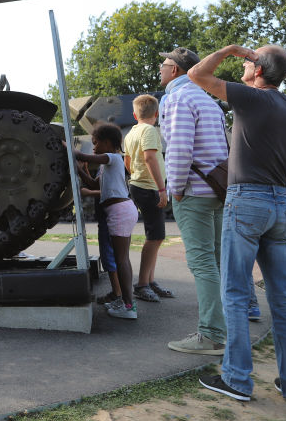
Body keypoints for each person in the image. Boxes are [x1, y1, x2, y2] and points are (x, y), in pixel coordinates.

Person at [188, 44, 286, 408]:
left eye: (249, 59)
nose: (244, 62)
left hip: (246, 201)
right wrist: (283, 201)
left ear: (259, 70)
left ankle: (237, 379)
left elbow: (196, 75)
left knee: (237, 292)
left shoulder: (253, 99)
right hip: (279, 205)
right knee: (284, 298)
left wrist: (228, 50)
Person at [159, 47, 230, 355]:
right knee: (214, 263)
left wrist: (174, 188)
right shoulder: (209, 100)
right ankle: (221, 328)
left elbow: (178, 147)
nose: (160, 70)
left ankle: (211, 334)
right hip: (216, 189)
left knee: (202, 264)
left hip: (193, 193)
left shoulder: (176, 98)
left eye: (164, 65)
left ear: (175, 70)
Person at [75, 123, 139, 319]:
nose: (93, 148)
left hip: (119, 211)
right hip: (120, 211)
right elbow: (94, 184)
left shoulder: (113, 157)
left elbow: (85, 156)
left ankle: (129, 306)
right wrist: (80, 171)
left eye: (96, 144)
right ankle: (125, 301)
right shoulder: (106, 165)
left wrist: (68, 147)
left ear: (108, 143)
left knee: (121, 260)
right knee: (121, 259)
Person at [122, 94, 174, 302]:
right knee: (155, 236)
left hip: (139, 185)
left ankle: (150, 281)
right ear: (157, 114)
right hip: (150, 188)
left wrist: (137, 174)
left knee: (155, 235)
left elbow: (127, 161)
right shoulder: (150, 130)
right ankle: (143, 284)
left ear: (135, 114)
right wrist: (161, 189)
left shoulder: (131, 133)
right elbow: (150, 156)